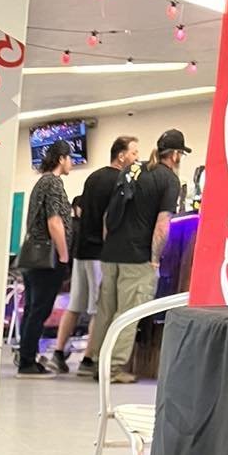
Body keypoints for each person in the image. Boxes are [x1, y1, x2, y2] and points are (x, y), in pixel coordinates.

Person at [85, 129, 188, 385]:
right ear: (175, 155)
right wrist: (155, 259)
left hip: (111, 254)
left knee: (106, 310)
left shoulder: (132, 169)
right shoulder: (169, 180)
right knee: (127, 314)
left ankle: (97, 361)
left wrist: (110, 244)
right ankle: (114, 368)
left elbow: (109, 215)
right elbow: (163, 224)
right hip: (137, 255)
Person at [53, 137, 139, 375]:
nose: (136, 158)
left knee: (75, 305)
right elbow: (109, 219)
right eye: (133, 153)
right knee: (97, 308)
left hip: (81, 250)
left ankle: (58, 353)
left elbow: (81, 209)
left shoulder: (93, 177)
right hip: (100, 253)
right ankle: (88, 360)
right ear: (121, 156)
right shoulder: (120, 180)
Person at [16, 139, 73, 377]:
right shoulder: (54, 184)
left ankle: (26, 356)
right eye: (69, 158)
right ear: (61, 158)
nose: (71, 163)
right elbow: (54, 221)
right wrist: (63, 255)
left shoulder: (41, 182)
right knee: (39, 309)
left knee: (32, 309)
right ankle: (27, 362)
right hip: (46, 258)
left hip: (31, 256)